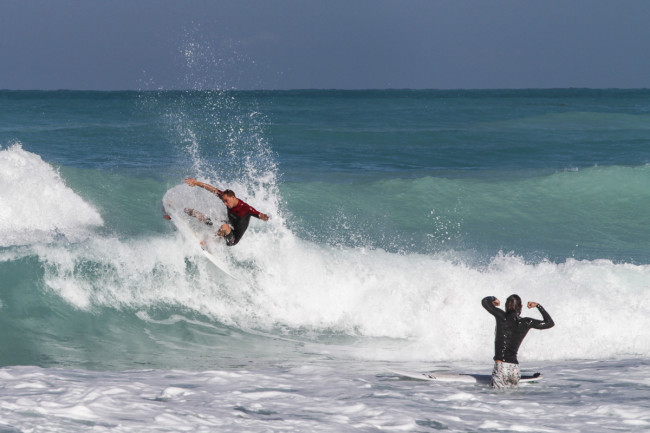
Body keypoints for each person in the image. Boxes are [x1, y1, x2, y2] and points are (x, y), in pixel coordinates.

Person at [482, 295, 554, 389]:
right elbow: (549, 323)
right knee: (511, 400)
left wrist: (494, 299)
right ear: (521, 306)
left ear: (506, 306)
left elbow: (485, 302)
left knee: (497, 399)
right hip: (515, 369)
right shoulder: (526, 322)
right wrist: (538, 306)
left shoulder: (501, 316)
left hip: (501, 367)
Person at [183, 177, 269, 246]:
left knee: (224, 226)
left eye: (226, 201)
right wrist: (196, 183)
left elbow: (258, 214)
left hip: (233, 239)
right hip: (225, 229)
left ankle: (209, 242)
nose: (225, 203)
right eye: (224, 201)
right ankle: (181, 210)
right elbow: (212, 189)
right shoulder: (226, 199)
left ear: (233, 197)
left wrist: (263, 216)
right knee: (198, 214)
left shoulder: (246, 208)